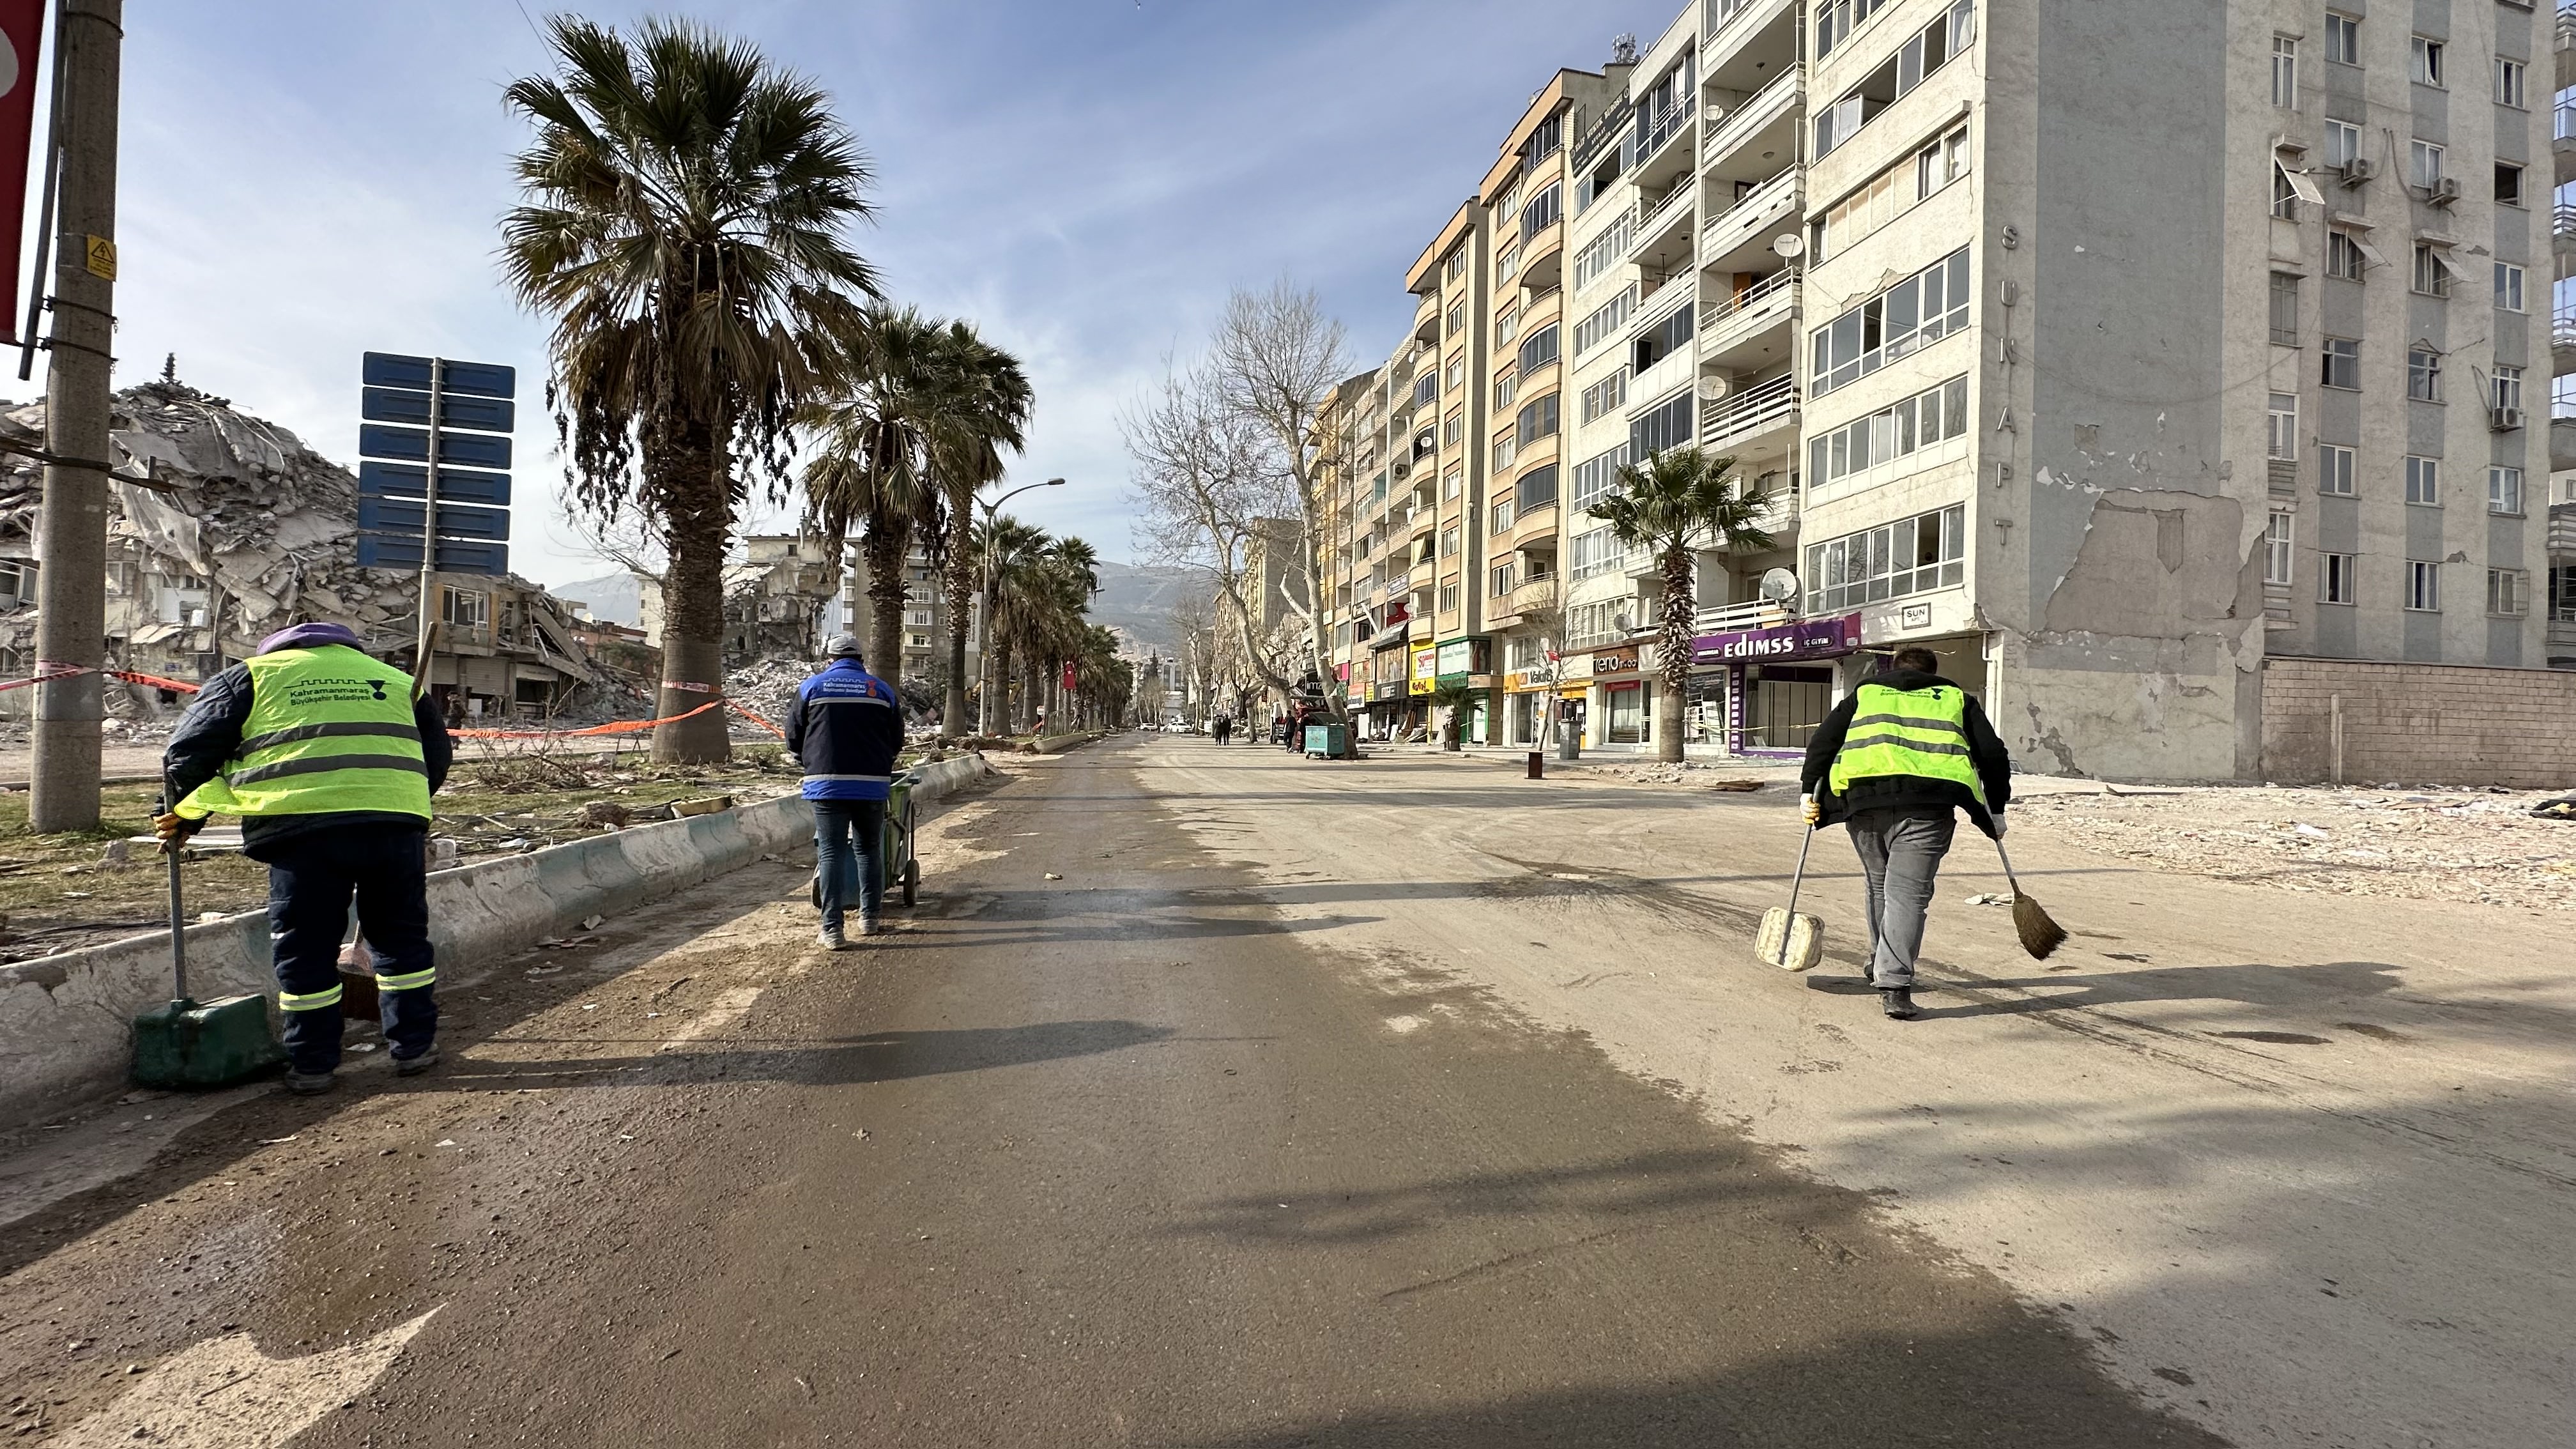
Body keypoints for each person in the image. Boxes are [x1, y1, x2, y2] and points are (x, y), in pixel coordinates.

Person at [157, 620, 453, 1093]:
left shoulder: (249, 678)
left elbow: (185, 756)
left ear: (278, 648)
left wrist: (183, 817)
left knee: (306, 947)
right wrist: (397, 805)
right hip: (393, 829)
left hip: (301, 833)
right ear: (347, 647)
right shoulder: (399, 682)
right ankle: (415, 1048)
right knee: (402, 943)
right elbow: (435, 759)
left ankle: (313, 1064)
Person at [1798, 645, 2012, 1021]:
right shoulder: (1956, 699)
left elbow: (1824, 743)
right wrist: (1995, 809)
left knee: (1880, 887)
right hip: (1928, 808)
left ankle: (1880, 963)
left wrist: (1807, 792)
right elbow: (1992, 755)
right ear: (1934, 672)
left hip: (1864, 804)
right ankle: (1894, 985)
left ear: (1893, 670)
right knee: (1908, 895)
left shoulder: (1865, 694)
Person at [784, 634, 903, 951]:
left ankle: (833, 929)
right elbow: (896, 740)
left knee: (832, 851)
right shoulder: (882, 690)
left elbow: (793, 735)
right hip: (871, 786)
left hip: (827, 784)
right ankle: (870, 918)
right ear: (861, 660)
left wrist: (805, 759)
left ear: (830, 659)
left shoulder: (813, 687)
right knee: (868, 849)